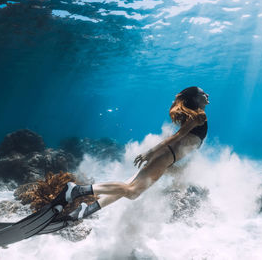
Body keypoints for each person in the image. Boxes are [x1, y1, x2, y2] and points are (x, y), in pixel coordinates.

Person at [53, 86, 209, 222]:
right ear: (195, 98)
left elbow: (184, 144)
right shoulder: (198, 116)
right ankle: (76, 191)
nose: (207, 95)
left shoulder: (195, 115)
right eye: (203, 93)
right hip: (165, 158)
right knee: (132, 191)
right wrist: (149, 153)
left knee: (129, 188)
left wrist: (177, 170)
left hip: (167, 160)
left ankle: (86, 210)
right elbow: (176, 137)